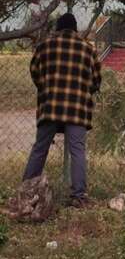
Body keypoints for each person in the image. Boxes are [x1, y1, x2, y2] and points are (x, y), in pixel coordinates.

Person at [23, 13, 102, 208]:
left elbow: (35, 73)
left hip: (50, 107)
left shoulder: (44, 46)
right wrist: (83, 91)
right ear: (75, 29)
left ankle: (26, 192)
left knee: (40, 149)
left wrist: (46, 89)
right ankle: (79, 196)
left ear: (58, 28)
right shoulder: (88, 49)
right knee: (77, 151)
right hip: (77, 108)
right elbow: (96, 80)